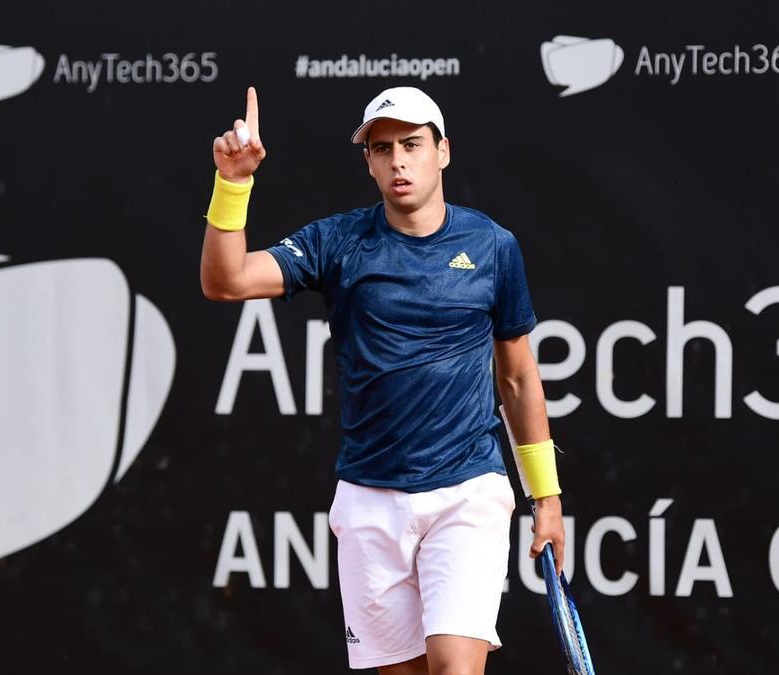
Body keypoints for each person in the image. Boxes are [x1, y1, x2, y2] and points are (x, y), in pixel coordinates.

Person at [200, 85, 566, 675]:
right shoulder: (338, 242)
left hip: (466, 492)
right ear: (368, 162)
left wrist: (545, 497)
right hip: (370, 498)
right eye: (383, 148)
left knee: (454, 667)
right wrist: (233, 184)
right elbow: (227, 281)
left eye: (412, 144)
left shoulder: (494, 247)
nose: (398, 160)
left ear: (442, 152)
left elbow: (519, 378)